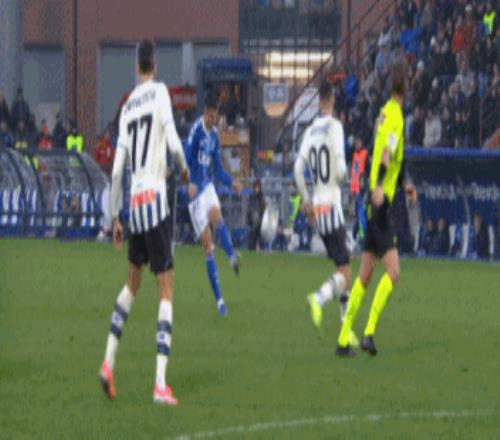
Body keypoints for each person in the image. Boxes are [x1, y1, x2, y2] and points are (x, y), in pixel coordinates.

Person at [99, 39, 189, 406]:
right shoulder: (160, 94)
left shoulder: (127, 106)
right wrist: (184, 168)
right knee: (165, 287)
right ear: (156, 65)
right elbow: (174, 142)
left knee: (131, 284)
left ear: (137, 65)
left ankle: (108, 362)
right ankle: (159, 385)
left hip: (134, 207)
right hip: (155, 201)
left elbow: (116, 170)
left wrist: (115, 217)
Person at [336, 63, 412, 357]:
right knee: (393, 272)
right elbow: (386, 154)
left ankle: (344, 338)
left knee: (365, 276)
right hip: (381, 204)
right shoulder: (397, 117)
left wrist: (402, 183)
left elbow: (387, 156)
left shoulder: (383, 112)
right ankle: (368, 333)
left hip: (373, 201)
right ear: (406, 88)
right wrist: (381, 185)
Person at [294, 81, 358, 346]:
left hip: (318, 210)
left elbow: (297, 170)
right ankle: (318, 298)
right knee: (346, 274)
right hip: (332, 203)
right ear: (332, 100)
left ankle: (345, 332)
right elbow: (341, 171)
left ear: (319, 102)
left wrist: (306, 200)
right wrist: (348, 177)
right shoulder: (335, 127)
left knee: (343, 268)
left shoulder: (309, 131)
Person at [184, 91, 241, 317]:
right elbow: (184, 158)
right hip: (194, 193)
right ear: (204, 112)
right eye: (210, 115)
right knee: (208, 246)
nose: (213, 119)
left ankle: (232, 257)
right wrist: (188, 181)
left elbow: (218, 168)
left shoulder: (215, 135)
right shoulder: (195, 132)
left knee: (218, 216)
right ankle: (220, 301)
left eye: (215, 115)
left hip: (207, 186)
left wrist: (231, 181)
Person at [247, 179, 266, 251]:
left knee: (261, 239)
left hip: (260, 221)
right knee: (252, 239)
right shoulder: (252, 197)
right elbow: (250, 209)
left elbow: (263, 208)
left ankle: (261, 250)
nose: (257, 189)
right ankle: (252, 250)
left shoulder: (262, 197)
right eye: (256, 187)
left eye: (258, 187)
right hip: (253, 221)